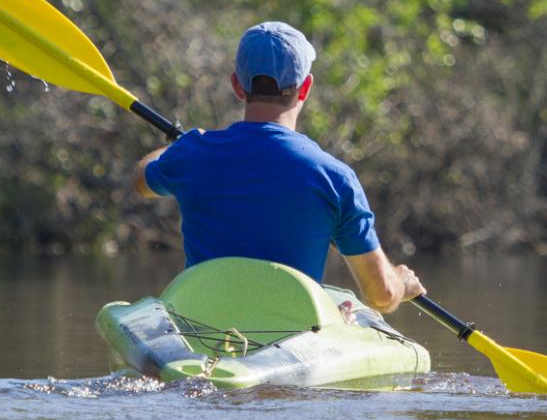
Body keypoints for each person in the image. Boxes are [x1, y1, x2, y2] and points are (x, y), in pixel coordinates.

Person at [133, 21, 424, 313]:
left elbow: (141, 182)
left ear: (237, 85)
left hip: (203, 325)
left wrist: (177, 147)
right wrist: (401, 283)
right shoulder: (335, 178)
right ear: (305, 88)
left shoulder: (190, 153)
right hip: (291, 332)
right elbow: (381, 296)